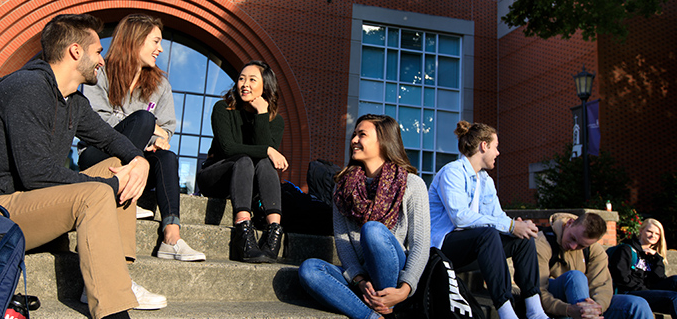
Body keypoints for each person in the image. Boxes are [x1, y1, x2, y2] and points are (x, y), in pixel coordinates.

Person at [0, 14, 164, 319]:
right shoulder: (27, 88)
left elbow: (111, 139)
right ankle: (115, 312)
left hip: (23, 203)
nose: (102, 61)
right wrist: (112, 186)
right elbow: (37, 174)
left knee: (116, 165)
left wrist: (138, 161)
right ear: (76, 51)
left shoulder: (72, 100)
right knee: (99, 192)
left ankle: (116, 274)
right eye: (98, 52)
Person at [80, 13, 205, 262]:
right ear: (136, 40)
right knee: (144, 119)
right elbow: (96, 121)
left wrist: (160, 136)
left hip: (138, 161)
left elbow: (167, 127)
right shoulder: (101, 73)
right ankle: (122, 194)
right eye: (155, 41)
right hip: (98, 157)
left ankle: (171, 236)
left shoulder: (160, 84)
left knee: (167, 157)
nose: (160, 49)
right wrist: (147, 128)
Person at [298, 114, 430, 319]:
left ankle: (389, 305)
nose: (354, 141)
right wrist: (359, 280)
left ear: (384, 141)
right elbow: (343, 243)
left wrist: (405, 289)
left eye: (362, 135)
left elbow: (420, 243)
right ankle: (374, 316)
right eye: (354, 135)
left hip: (396, 275)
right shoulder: (342, 188)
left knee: (373, 230)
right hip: (363, 280)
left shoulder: (412, 184)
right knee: (310, 269)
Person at [428, 120, 550, 319]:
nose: (498, 153)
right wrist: (510, 226)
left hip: (475, 246)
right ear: (483, 146)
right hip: (443, 248)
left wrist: (519, 227)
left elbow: (497, 216)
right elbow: (460, 217)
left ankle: (535, 311)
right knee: (488, 233)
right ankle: (506, 311)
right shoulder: (452, 172)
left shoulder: (485, 180)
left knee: (523, 240)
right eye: (496, 147)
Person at [196, 60, 287, 263]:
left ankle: (274, 232)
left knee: (265, 163)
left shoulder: (275, 121)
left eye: (252, 80)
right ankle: (244, 231)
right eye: (241, 79)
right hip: (216, 176)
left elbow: (265, 157)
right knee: (245, 160)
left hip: (249, 184)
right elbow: (228, 148)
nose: (244, 84)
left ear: (266, 86)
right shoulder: (223, 109)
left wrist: (261, 115)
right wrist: (267, 149)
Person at [537, 212, 652, 319]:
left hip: (586, 299)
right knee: (576, 277)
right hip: (553, 298)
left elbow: (602, 287)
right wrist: (568, 309)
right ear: (569, 223)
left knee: (638, 304)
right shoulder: (542, 243)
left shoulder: (594, 250)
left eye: (581, 245)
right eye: (572, 238)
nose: (573, 246)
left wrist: (597, 307)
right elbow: (537, 290)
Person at [609, 218, 677, 317]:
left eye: (657, 234)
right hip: (630, 292)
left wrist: (657, 259)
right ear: (641, 231)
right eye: (649, 231)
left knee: (675, 280)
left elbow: (659, 279)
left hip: (647, 291)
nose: (653, 235)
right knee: (674, 297)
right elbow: (622, 279)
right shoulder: (626, 250)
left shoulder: (652, 255)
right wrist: (645, 289)